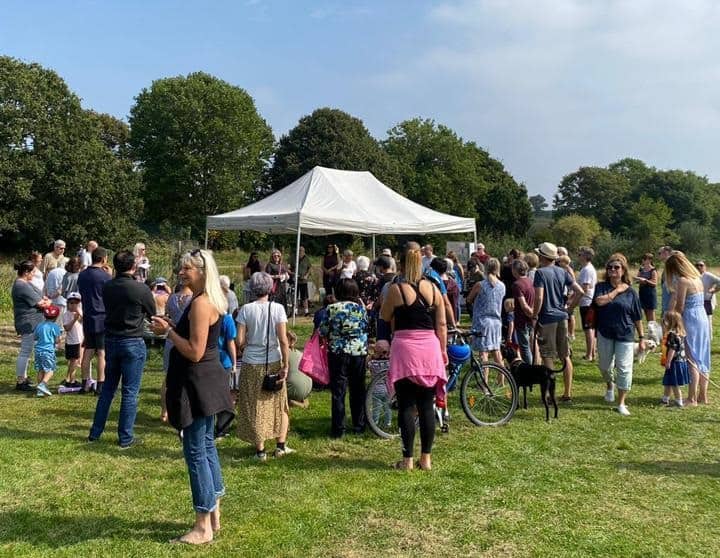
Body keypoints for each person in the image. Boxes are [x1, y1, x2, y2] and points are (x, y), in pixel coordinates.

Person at [152, 249, 234, 545]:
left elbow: (194, 352)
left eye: (186, 268)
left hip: (198, 383)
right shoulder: (208, 299)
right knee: (207, 446)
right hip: (207, 381)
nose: (180, 273)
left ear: (201, 271)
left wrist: (168, 333)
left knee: (196, 451)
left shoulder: (201, 304)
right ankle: (214, 515)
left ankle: (202, 527)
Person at [380, 246, 447, 470]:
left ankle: (407, 459)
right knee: (427, 405)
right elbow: (442, 324)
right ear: (422, 264)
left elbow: (384, 315)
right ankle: (426, 459)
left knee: (407, 405)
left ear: (400, 264)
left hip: (405, 349)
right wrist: (444, 350)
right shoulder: (434, 288)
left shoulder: (396, 289)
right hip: (430, 348)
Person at [88, 250, 156, 447]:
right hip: (132, 340)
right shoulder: (140, 289)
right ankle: (125, 437)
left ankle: (95, 432)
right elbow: (152, 314)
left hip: (111, 339)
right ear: (134, 266)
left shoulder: (108, 286)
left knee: (108, 388)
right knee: (130, 392)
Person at [235, 272, 293, 461]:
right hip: (273, 359)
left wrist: (247, 345)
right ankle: (281, 445)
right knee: (279, 403)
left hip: (252, 361)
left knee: (254, 404)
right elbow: (283, 340)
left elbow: (240, 340)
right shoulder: (278, 309)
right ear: (270, 288)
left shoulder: (245, 310)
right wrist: (286, 364)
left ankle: (260, 450)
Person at [592, 253, 645, 416]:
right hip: (605, 333)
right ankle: (610, 386)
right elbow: (599, 302)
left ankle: (621, 402)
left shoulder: (631, 293)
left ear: (623, 271)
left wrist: (642, 338)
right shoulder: (600, 287)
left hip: (626, 334)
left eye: (616, 267)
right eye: (610, 267)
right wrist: (616, 291)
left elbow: (637, 317)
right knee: (605, 367)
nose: (613, 270)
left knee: (624, 368)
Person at [531, 242, 584, 402]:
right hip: (562, 317)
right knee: (565, 356)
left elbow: (539, 297)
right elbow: (580, 291)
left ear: (542, 256)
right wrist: (568, 309)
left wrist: (534, 316)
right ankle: (567, 393)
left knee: (547, 356)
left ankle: (549, 394)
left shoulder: (540, 273)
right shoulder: (563, 272)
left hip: (547, 318)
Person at [320, 278, 369, 437]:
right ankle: (359, 424)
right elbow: (367, 328)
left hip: (338, 352)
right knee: (358, 390)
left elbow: (323, 330)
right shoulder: (361, 309)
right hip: (358, 351)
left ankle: (338, 428)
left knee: (338, 391)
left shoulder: (332, 308)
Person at [665, 252, 711, 405]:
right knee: (703, 356)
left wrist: (673, 322)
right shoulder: (697, 277)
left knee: (692, 358)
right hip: (702, 316)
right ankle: (702, 396)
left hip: (691, 318)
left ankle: (691, 398)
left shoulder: (683, 281)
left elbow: (680, 305)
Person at [12, 260, 51, 391]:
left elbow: (41, 296)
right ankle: (20, 381)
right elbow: (41, 303)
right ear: (26, 272)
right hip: (27, 322)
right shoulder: (21, 286)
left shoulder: (26, 283)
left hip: (33, 322)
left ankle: (24, 376)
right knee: (25, 351)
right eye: (33, 272)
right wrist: (47, 302)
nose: (34, 274)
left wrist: (45, 300)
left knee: (28, 351)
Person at [77, 246, 111, 394]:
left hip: (88, 315)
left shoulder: (82, 275)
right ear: (104, 259)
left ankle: (85, 383)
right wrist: (110, 275)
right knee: (102, 352)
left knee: (88, 351)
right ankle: (101, 384)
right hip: (102, 317)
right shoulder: (105, 276)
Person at [161, 279, 194, 422]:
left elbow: (167, 314)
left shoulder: (172, 298)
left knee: (168, 377)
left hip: (171, 338)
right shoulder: (194, 299)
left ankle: (164, 411)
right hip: (186, 339)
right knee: (186, 377)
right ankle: (184, 410)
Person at [467, 258, 505, 365]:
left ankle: (485, 380)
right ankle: (502, 378)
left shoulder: (480, 285)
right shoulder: (502, 286)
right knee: (496, 350)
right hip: (496, 321)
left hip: (482, 321)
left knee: (483, 353)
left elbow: (469, 299)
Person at [660, 311, 689, 407]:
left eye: (665, 320)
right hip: (681, 361)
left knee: (674, 383)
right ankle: (665, 398)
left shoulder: (672, 335)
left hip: (674, 362)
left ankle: (679, 401)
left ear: (671, 322)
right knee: (669, 381)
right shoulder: (681, 333)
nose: (663, 322)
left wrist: (668, 362)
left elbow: (672, 349)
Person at [33, 305, 63, 397]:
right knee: (50, 370)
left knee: (40, 370)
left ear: (44, 315)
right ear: (56, 316)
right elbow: (57, 340)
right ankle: (43, 384)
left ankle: (40, 391)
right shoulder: (55, 327)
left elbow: (35, 337)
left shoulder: (39, 325)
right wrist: (59, 339)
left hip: (38, 351)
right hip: (48, 351)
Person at [511, 259, 535, 365]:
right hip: (530, 319)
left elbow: (524, 305)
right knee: (530, 345)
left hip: (522, 319)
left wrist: (531, 315)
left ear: (516, 270)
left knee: (524, 348)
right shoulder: (530, 281)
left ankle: (528, 371)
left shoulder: (517, 285)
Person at [577, 247, 598, 361]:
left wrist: (573, 298)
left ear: (585, 256)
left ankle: (589, 354)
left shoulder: (586, 270)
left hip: (587, 302)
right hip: (588, 301)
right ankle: (592, 352)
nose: (578, 256)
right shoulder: (587, 268)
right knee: (590, 328)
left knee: (588, 328)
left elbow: (584, 288)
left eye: (580, 254)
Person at [62, 292, 84, 387]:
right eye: (71, 303)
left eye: (76, 303)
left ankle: (68, 378)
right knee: (73, 362)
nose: (73, 305)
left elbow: (84, 320)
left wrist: (79, 313)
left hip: (80, 340)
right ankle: (72, 380)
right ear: (67, 303)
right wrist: (74, 319)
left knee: (74, 361)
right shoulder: (66, 314)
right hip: (72, 342)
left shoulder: (80, 312)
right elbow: (67, 328)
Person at [286, 330, 312, 407]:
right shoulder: (300, 353)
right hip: (307, 389)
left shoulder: (282, 354)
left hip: (295, 389)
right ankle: (303, 400)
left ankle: (290, 400)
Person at [696, 260, 720, 339]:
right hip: (697, 301)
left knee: (708, 319)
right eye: (697, 265)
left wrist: (714, 290)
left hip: (707, 300)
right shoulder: (694, 275)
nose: (699, 267)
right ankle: (701, 336)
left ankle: (709, 337)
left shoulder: (708, 275)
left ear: (705, 266)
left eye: (701, 265)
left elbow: (719, 281)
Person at [635, 253, 658, 323]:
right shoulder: (641, 269)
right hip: (642, 292)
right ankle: (650, 331)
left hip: (650, 293)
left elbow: (655, 283)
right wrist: (638, 280)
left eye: (645, 259)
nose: (643, 260)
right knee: (645, 313)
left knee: (651, 315)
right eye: (643, 259)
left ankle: (654, 332)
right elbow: (637, 279)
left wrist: (645, 281)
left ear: (650, 260)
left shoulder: (653, 270)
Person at [292, 246, 312, 317]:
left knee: (305, 297)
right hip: (296, 281)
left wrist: (306, 275)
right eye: (299, 250)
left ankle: (306, 311)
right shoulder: (293, 258)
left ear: (304, 251)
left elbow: (310, 268)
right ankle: (295, 311)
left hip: (304, 281)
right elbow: (288, 268)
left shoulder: (307, 259)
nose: (300, 252)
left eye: (302, 251)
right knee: (295, 297)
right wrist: (293, 274)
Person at [658, 245, 673, 317]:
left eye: (659, 253)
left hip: (671, 307)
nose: (658, 255)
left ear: (666, 253)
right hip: (666, 305)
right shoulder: (666, 266)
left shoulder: (672, 266)